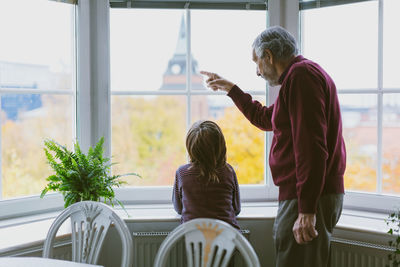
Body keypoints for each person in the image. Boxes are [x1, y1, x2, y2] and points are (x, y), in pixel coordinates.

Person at [200, 26, 346, 267]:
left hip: (308, 196)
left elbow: (312, 147)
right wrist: (231, 89)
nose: (257, 72)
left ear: (268, 56)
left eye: (257, 62)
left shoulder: (301, 77)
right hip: (310, 194)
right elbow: (268, 119)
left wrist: (307, 209)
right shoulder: (299, 77)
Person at [172, 120, 241, 230]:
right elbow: (236, 209)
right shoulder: (228, 171)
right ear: (221, 146)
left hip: (194, 241)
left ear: (190, 148)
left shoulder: (182, 173)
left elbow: (178, 208)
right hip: (228, 241)